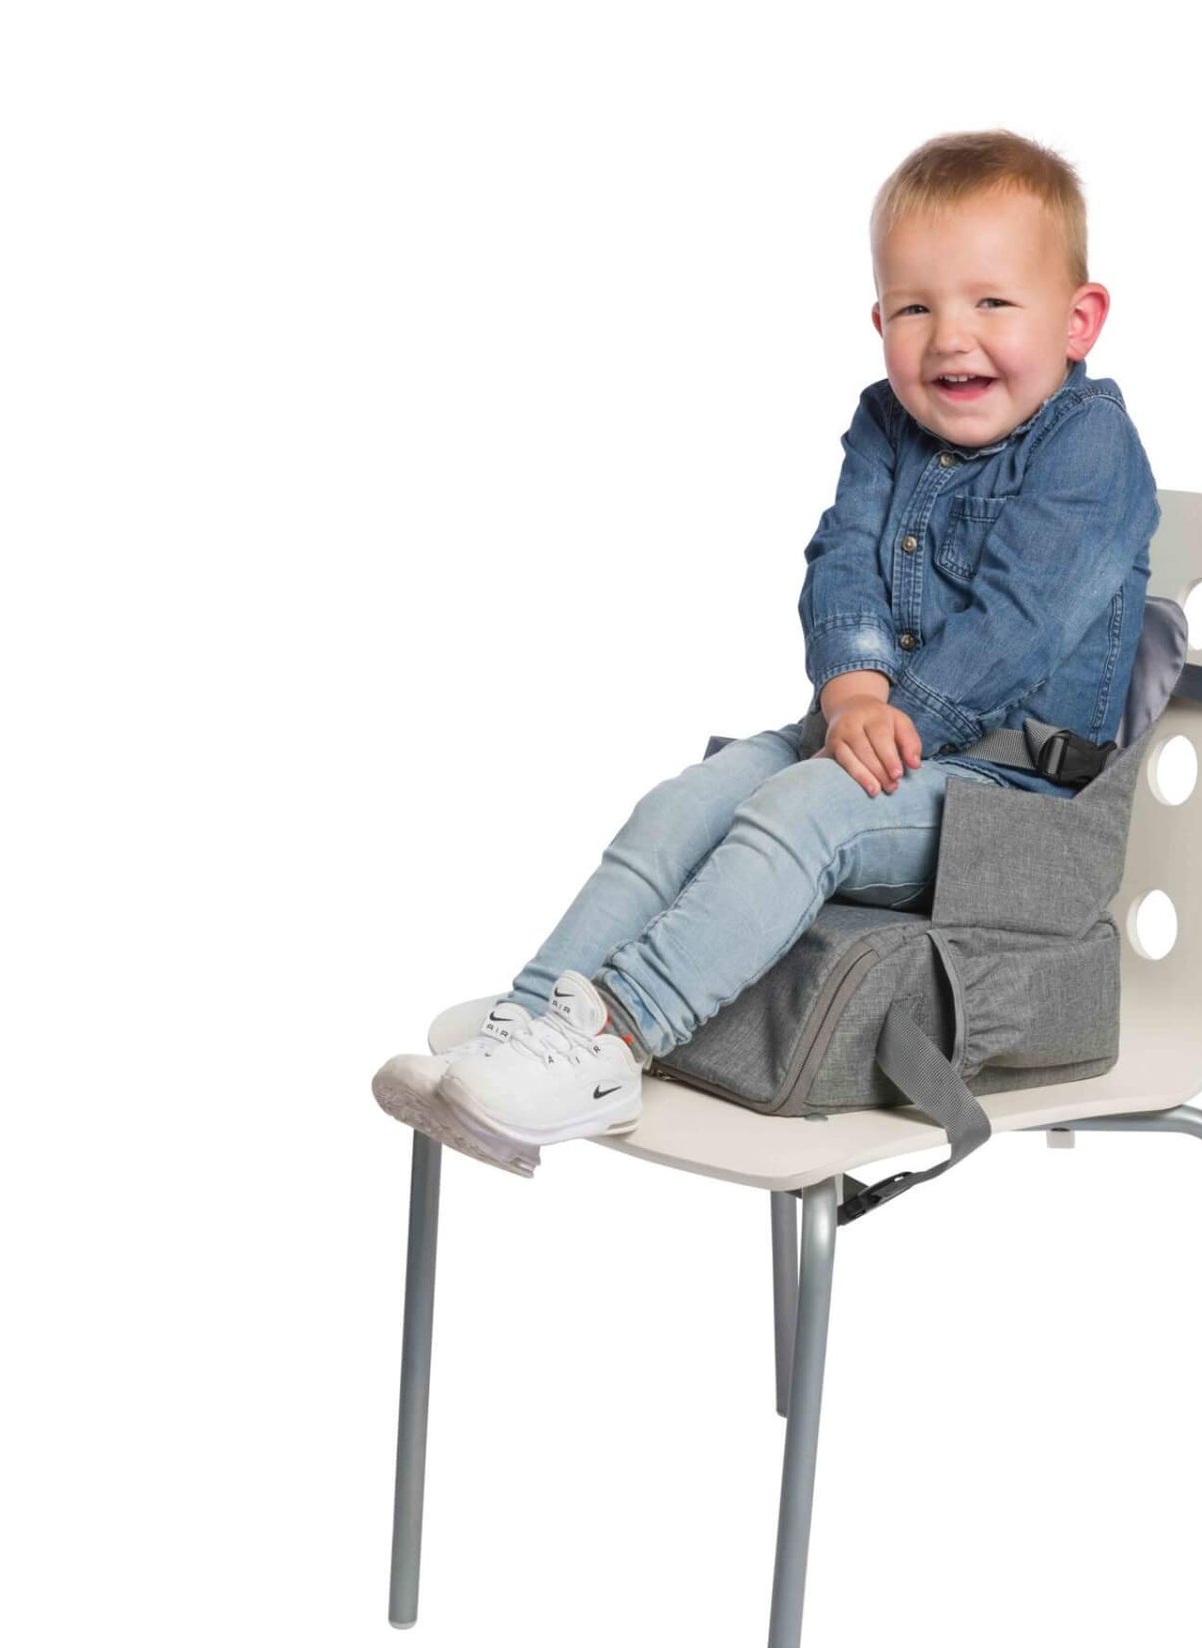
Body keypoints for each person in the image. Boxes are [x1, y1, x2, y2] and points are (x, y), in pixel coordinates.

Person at [372, 128, 1160, 1177]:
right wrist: (851, 688)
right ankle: (523, 1031)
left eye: (990, 303)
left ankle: (612, 1038)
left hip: (1013, 801)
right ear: (878, 319)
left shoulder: (1089, 445)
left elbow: (1021, 622)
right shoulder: (884, 422)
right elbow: (841, 558)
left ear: (1077, 321)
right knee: (691, 798)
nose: (947, 337)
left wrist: (907, 713)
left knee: (801, 811)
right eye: (914, 307)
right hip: (876, 733)